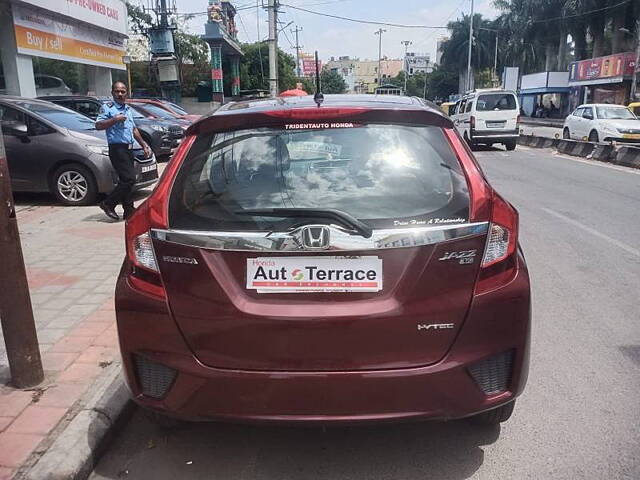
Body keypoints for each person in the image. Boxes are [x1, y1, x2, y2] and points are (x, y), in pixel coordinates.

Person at [95, 81, 151, 220]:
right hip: (117, 148)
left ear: (127, 93)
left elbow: (133, 129)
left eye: (123, 91)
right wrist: (114, 120)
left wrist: (144, 144)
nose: (120, 94)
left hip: (128, 149)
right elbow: (98, 125)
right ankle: (108, 203)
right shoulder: (107, 108)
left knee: (126, 180)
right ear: (112, 93)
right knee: (129, 179)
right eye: (117, 91)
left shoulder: (127, 109)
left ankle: (128, 210)